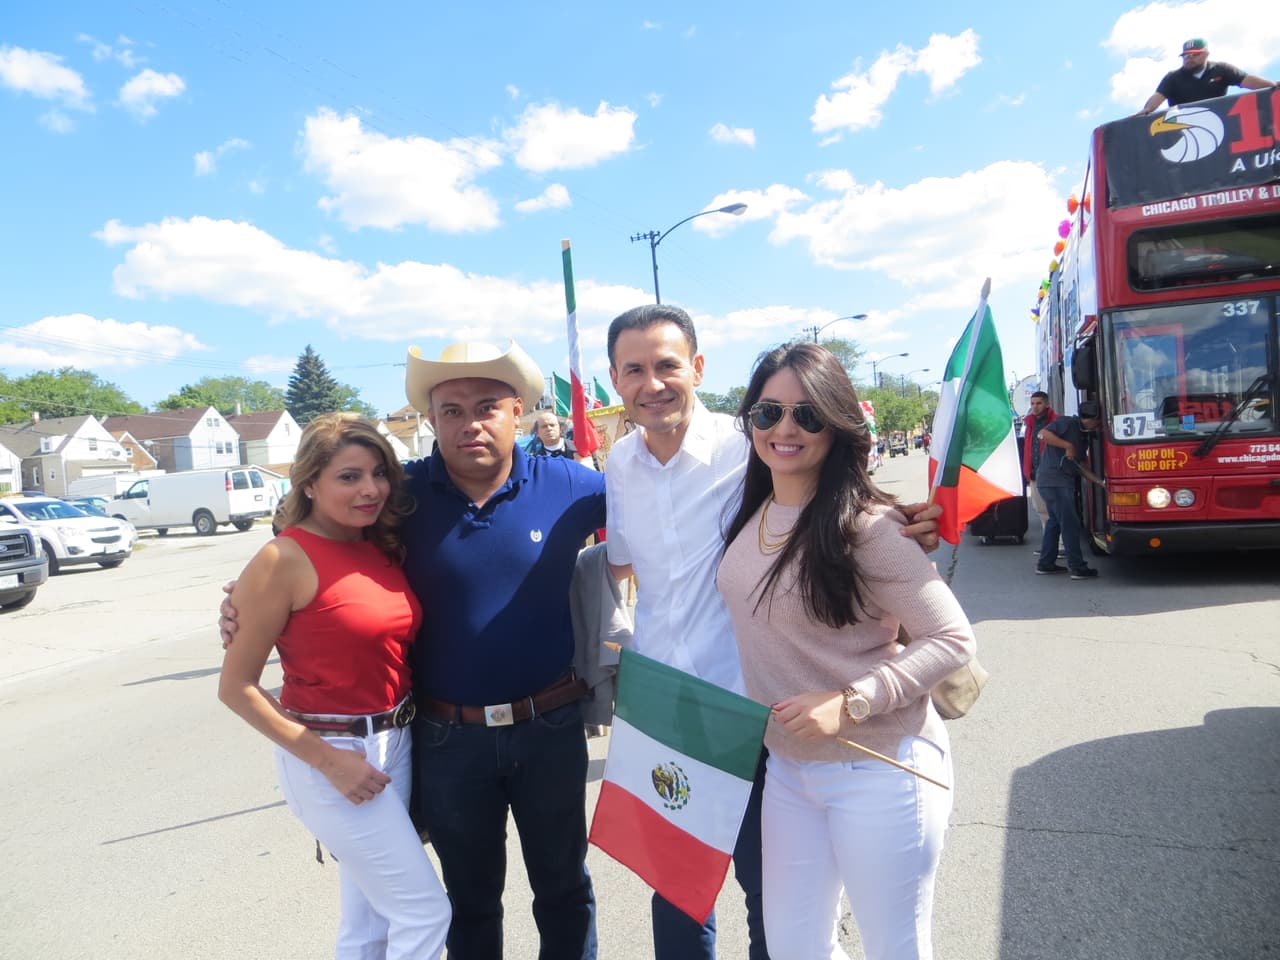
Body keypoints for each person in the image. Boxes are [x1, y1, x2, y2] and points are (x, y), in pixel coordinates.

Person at [224, 341, 604, 960]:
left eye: (487, 406)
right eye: (450, 410)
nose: (469, 423)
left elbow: (667, 520)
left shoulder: (574, 486)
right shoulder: (398, 496)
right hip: (447, 738)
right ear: (431, 419)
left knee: (563, 889)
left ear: (519, 411)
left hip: (549, 726)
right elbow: (316, 557)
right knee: (466, 902)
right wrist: (243, 602)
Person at [603, 304, 943, 960]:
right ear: (615, 379)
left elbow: (832, 496)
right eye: (634, 369)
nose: (653, 383)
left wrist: (903, 523)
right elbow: (619, 560)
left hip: (755, 708)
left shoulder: (752, 442)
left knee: (776, 904)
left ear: (697, 368)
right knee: (674, 893)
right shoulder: (620, 466)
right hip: (667, 712)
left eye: (668, 365)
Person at [716, 342, 975, 960]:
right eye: (768, 412)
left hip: (879, 765)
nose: (785, 428)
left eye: (807, 415)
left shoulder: (868, 526)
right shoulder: (751, 511)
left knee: (896, 948)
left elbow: (953, 639)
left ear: (836, 427)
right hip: (788, 768)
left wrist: (850, 701)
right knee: (795, 947)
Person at [217, 413, 451, 960]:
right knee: (424, 912)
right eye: (348, 477)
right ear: (309, 483)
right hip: (331, 755)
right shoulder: (283, 557)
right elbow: (236, 688)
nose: (370, 489)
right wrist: (329, 761)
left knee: (369, 921)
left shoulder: (380, 546)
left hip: (396, 742)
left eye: (377, 473)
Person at [1034, 400, 1101, 580]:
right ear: (1091, 419)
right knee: (1070, 523)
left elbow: (1079, 466)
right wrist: (1067, 446)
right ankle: (1078, 567)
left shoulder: (1083, 436)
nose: (1099, 426)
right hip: (1055, 481)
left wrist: (1101, 482)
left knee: (1055, 522)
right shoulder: (1067, 423)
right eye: (1098, 421)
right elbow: (1042, 434)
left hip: (1053, 481)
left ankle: (1045, 564)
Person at [1137, 38, 1275, 115]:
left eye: (1195, 55)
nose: (1189, 59)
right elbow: (1158, 96)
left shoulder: (1221, 69)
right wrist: (1146, 110)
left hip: (1218, 119)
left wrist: (1273, 85)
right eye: (1186, 56)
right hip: (1185, 124)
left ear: (1206, 54)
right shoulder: (1173, 77)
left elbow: (1248, 81)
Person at [1022, 391, 1057, 534]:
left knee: (1053, 509)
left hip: (1050, 473)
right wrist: (1027, 473)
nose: (1035, 407)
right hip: (1035, 473)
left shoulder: (1056, 421)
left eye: (1039, 403)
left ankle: (1059, 544)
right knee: (1040, 509)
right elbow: (1029, 449)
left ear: (1047, 404)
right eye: (1032, 403)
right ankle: (1049, 543)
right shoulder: (1029, 423)